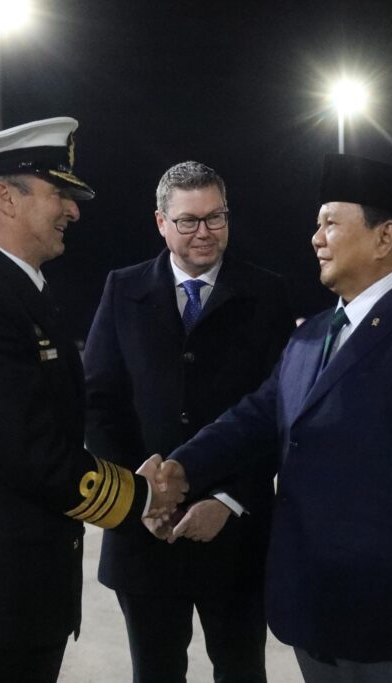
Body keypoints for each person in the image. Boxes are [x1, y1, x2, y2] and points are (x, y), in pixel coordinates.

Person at [156, 154, 392, 683]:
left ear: (385, 237)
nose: (315, 238)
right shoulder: (313, 333)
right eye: (317, 224)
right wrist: (182, 467)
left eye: (330, 223)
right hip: (315, 613)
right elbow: (256, 416)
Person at [0, 117, 184, 683]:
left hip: (12, 600)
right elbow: (35, 457)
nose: (73, 211)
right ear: (5, 198)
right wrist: (144, 494)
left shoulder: (15, 293)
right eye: (58, 193)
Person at [83, 161, 294, 682]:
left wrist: (228, 500)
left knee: (242, 672)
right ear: (161, 223)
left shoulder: (267, 293)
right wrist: (140, 494)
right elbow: (100, 402)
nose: (204, 232)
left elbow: (279, 413)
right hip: (146, 535)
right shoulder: (123, 290)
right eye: (188, 220)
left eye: (215, 217)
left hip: (235, 533)